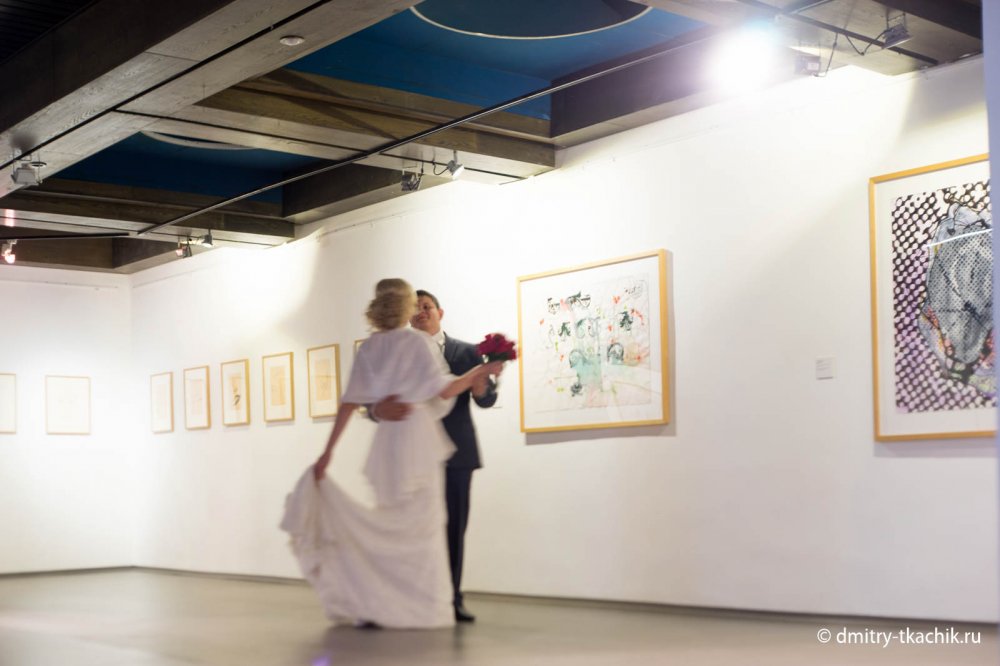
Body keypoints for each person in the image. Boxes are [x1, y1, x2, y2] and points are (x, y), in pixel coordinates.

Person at [280, 279, 502, 629]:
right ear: (407, 307)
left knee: (393, 524)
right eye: (416, 304)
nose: (421, 311)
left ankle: (381, 602)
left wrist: (326, 454)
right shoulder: (416, 343)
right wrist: (482, 370)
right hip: (419, 442)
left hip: (390, 445)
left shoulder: (369, 347)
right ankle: (418, 605)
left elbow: (348, 402)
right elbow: (443, 390)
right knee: (421, 530)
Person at [372, 289, 498, 623]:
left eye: (426, 306)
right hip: (413, 451)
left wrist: (481, 388)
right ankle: (410, 598)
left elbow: (486, 399)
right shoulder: (399, 352)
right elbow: (375, 401)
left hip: (457, 452)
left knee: (454, 528)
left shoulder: (468, 351)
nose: (421, 312)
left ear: (440, 312)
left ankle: (452, 599)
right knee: (413, 527)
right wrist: (379, 410)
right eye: (414, 308)